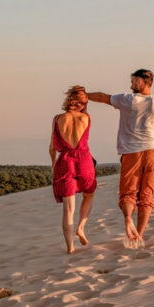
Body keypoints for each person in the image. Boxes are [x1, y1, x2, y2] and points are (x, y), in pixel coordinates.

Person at [87, 69, 154, 247]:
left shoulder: (127, 99)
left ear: (143, 81)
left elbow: (102, 97)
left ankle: (129, 218)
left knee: (129, 193)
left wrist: (84, 94)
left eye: (134, 80)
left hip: (132, 154)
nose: (131, 83)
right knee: (147, 195)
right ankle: (139, 236)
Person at [50, 85, 97, 254]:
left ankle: (70, 248)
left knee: (68, 209)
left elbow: (52, 147)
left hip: (65, 161)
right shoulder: (87, 118)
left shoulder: (57, 119)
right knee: (89, 194)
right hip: (84, 159)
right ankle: (81, 227)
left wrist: (53, 163)